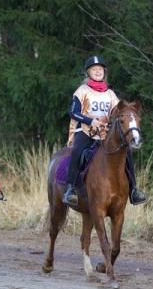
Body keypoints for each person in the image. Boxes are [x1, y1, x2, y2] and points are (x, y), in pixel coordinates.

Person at [62, 55, 147, 207]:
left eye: (100, 69)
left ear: (104, 72)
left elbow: (117, 113)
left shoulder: (110, 94)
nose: (97, 71)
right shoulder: (82, 91)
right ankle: (70, 189)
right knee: (77, 151)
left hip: (105, 133)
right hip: (86, 131)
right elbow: (73, 113)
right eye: (94, 69)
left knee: (126, 151)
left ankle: (134, 190)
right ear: (88, 72)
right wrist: (91, 121)